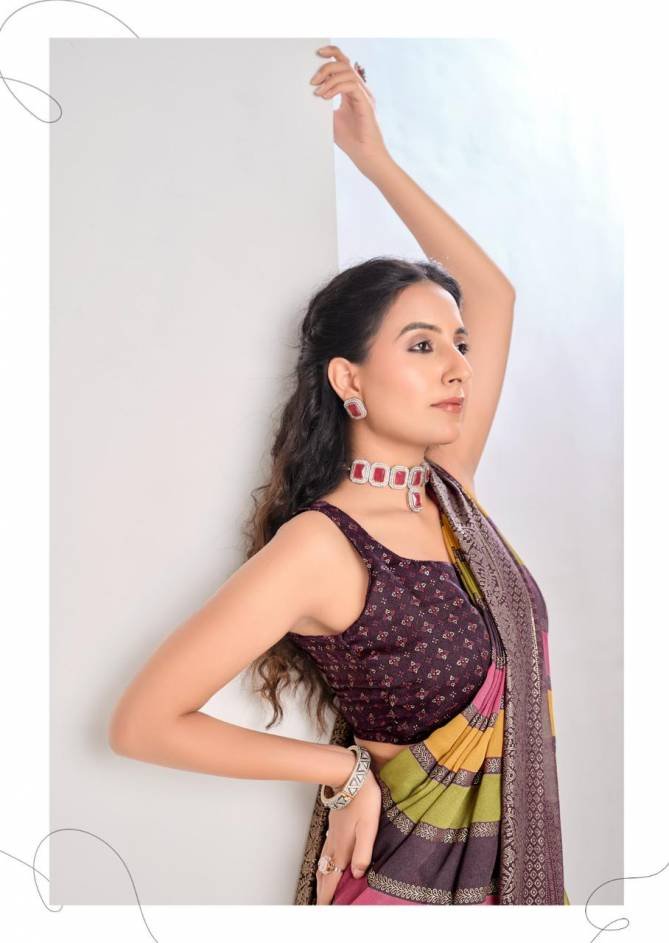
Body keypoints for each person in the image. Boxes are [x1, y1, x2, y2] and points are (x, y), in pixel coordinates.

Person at [108, 44, 568, 906]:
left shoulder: (449, 492)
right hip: (398, 884)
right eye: (421, 346)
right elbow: (142, 722)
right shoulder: (322, 547)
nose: (457, 367)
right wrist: (340, 769)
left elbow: (492, 294)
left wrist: (371, 159)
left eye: (457, 346)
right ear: (348, 378)